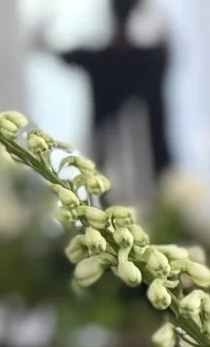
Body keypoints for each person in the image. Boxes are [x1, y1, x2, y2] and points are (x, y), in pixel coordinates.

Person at [48, 0, 171, 198]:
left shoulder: (105, 60)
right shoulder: (147, 60)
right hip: (119, 169)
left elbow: (55, 51)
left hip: (134, 171)